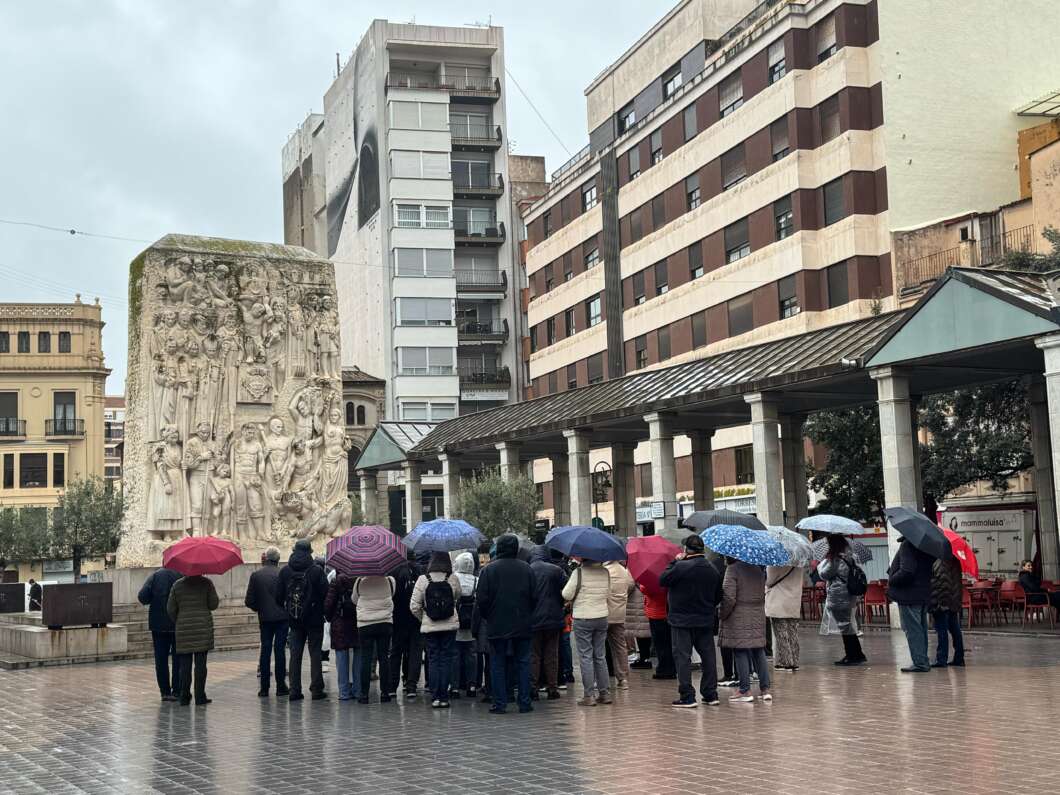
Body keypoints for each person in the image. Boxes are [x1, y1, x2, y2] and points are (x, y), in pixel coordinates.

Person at [475, 534, 537, 714]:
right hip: (522, 621)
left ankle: (500, 702)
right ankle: (524, 702)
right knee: (523, 662)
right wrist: (527, 613)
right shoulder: (527, 569)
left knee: (497, 663)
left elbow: (482, 600)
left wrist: (489, 616)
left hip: (497, 623)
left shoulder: (488, 570)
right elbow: (535, 596)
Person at [659, 535, 722, 708]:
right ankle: (710, 694)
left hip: (681, 621)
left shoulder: (680, 567)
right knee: (708, 657)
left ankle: (687, 695)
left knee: (683, 657)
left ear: (686, 549)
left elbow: (663, 579)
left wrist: (674, 561)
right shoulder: (712, 569)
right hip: (705, 619)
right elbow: (718, 596)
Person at [275, 539, 329, 701]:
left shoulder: (285, 571)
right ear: (310, 552)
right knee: (315, 654)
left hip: (294, 619)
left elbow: (278, 597)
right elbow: (325, 593)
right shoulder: (316, 571)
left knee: (295, 655)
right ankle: (317, 689)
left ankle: (294, 690)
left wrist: (289, 609)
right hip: (314, 619)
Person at [409, 552, 462, 709]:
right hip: (449, 625)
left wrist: (424, 618)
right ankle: (444, 697)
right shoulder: (452, 578)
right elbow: (458, 596)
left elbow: (414, 606)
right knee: (446, 659)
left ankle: (435, 697)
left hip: (430, 626)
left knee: (433, 659)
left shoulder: (423, 580)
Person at [561, 555, 612, 707]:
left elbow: (567, 594)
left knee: (586, 656)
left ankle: (589, 695)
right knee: (600, 656)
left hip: (583, 617)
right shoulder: (605, 572)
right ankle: (605, 693)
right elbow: (608, 594)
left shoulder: (579, 572)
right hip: (602, 616)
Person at [719, 557, 771, 703]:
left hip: (738, 615)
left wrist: (722, 614)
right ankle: (765, 689)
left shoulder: (733, 569)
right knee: (758, 650)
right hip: (757, 614)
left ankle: (744, 690)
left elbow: (729, 597)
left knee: (740, 650)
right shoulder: (758, 569)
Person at [166, 572, 219, 706]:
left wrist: (179, 621)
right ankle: (200, 696)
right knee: (201, 665)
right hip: (202, 629)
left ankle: (184, 696)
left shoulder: (177, 586)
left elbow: (170, 609)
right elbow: (213, 604)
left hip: (184, 630)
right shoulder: (207, 583)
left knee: (184, 666)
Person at [244, 546, 289, 697]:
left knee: (265, 650)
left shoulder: (256, 575)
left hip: (265, 619)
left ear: (266, 558)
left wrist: (260, 608)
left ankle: (264, 688)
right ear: (277, 559)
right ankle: (281, 686)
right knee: (280, 651)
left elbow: (249, 600)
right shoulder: (283, 574)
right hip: (282, 618)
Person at [887, 535, 935, 673]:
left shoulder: (908, 544)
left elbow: (907, 571)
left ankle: (920, 663)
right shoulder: (926, 546)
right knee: (920, 629)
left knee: (913, 630)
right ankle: (922, 660)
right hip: (922, 594)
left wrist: (892, 578)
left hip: (909, 595)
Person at [819, 534, 866, 666]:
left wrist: (824, 563)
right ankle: (856, 654)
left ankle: (853, 655)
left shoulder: (835, 559)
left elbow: (824, 574)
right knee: (847, 625)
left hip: (838, 596)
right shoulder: (849, 556)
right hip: (848, 595)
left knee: (845, 627)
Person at [528, 545, 568, 699]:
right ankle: (553, 688)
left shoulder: (528, 570)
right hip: (554, 618)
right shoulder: (556, 570)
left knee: (534, 654)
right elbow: (566, 591)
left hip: (533, 619)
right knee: (552, 654)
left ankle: (533, 688)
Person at [137, 567, 183, 702]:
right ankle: (177, 690)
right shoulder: (181, 575)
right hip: (177, 623)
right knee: (178, 659)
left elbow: (142, 597)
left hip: (158, 625)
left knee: (161, 660)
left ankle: (165, 692)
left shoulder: (155, 576)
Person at [351, 572, 395, 703]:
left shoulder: (359, 581)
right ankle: (385, 693)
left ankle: (364, 695)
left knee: (365, 658)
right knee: (384, 658)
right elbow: (392, 595)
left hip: (365, 624)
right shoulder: (390, 580)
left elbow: (354, 599)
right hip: (385, 623)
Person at [388, 556, 423, 699]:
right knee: (415, 652)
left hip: (398, 618)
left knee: (396, 652)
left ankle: (391, 686)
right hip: (415, 619)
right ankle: (411, 686)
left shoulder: (394, 572)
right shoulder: (419, 572)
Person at [324, 573, 360, 700]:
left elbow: (328, 604)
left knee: (341, 656)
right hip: (358, 622)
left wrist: (329, 618)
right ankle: (357, 690)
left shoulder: (336, 581)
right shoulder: (359, 579)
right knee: (358, 655)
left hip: (340, 624)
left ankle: (344, 692)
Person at [765, 560, 805, 672]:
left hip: (779, 600)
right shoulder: (799, 561)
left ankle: (785, 662)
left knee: (781, 632)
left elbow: (768, 581)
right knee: (793, 632)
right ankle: (795, 661)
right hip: (794, 600)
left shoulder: (775, 562)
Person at [603, 560, 635, 691]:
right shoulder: (624, 571)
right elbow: (631, 585)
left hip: (604, 613)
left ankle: (601, 680)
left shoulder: (603, 570)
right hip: (620, 614)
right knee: (620, 647)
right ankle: (623, 679)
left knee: (599, 647)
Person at [452, 551, 479, 698]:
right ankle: (472, 685)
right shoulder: (477, 580)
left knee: (455, 656)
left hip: (456, 623)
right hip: (471, 624)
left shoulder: (453, 579)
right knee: (471, 655)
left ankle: (455, 687)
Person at [930, 554, 965, 668]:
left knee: (942, 631)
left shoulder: (939, 561)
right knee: (955, 630)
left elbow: (939, 583)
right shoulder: (955, 560)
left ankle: (941, 659)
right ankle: (959, 658)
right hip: (953, 601)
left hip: (942, 602)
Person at [641, 584, 675, 679]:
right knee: (668, 643)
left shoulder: (654, 578)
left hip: (656, 612)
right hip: (667, 611)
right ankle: (671, 668)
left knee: (660, 644)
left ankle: (664, 669)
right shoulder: (669, 574)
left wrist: (641, 585)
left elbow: (645, 590)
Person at [626, 588, 653, 671]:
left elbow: (628, 587)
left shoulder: (635, 577)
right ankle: (646, 658)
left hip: (637, 606)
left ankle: (643, 659)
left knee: (640, 633)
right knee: (645, 633)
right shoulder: (646, 580)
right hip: (646, 604)